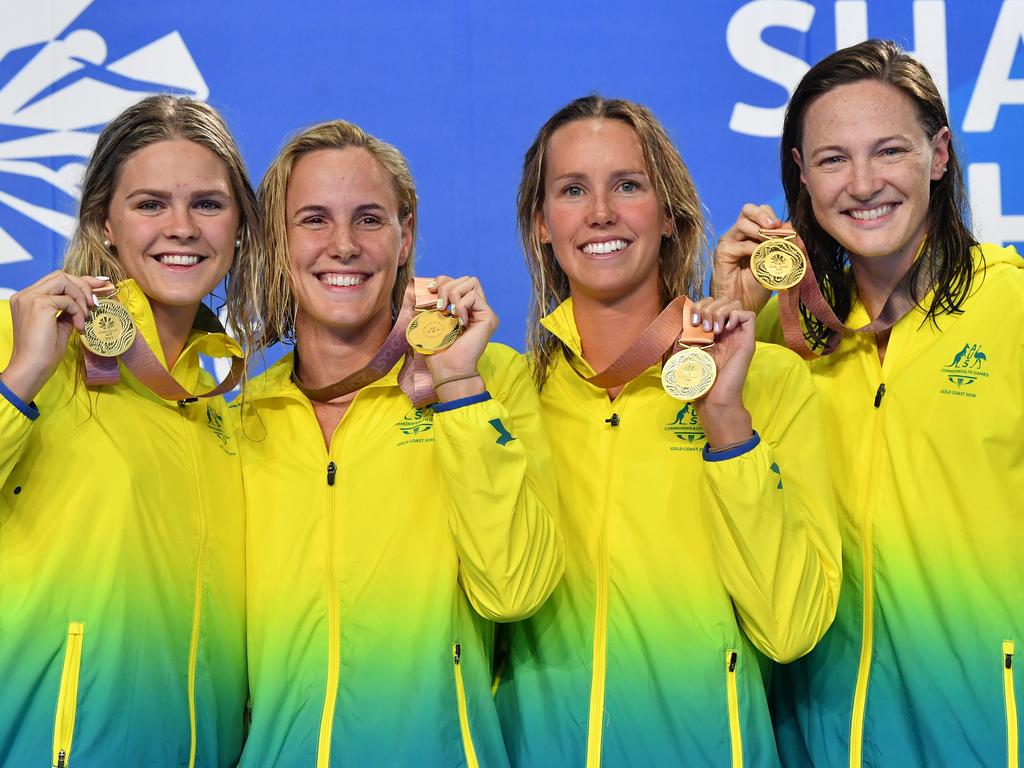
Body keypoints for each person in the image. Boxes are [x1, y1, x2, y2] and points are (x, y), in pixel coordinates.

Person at [494, 95, 841, 767]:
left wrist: (726, 424)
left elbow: (790, 627)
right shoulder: (511, 394)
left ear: (671, 217)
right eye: (572, 190)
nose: (601, 213)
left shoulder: (768, 382)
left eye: (628, 185)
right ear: (541, 223)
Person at [714, 39, 1024, 767]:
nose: (862, 184)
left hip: (986, 731)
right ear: (800, 174)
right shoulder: (771, 335)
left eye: (888, 151)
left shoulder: (1012, 308)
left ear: (939, 155)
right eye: (831, 159)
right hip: (814, 734)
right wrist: (726, 312)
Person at [235, 120, 563, 767]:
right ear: (278, 239)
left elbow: (515, 589)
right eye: (313, 220)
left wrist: (458, 386)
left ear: (405, 234)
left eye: (369, 219)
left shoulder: (490, 379)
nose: (344, 245)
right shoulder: (245, 417)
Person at [0, 95, 260, 767]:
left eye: (207, 204)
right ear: (103, 224)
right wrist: (21, 378)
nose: (182, 228)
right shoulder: (24, 341)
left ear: (239, 227)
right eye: (150, 204)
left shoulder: (222, 410)